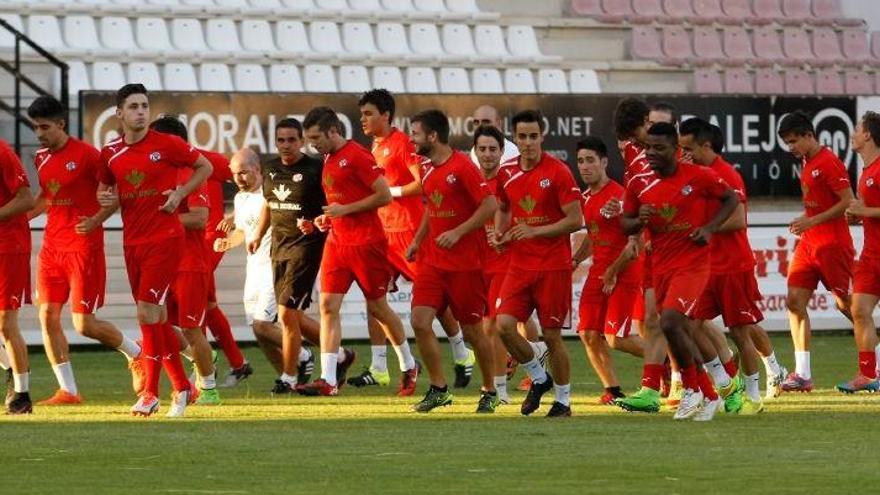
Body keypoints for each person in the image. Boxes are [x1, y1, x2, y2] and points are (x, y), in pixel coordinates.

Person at [97, 84, 213, 417]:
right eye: (133, 106)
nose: (140, 111)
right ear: (119, 113)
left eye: (144, 105)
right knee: (157, 319)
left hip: (166, 240)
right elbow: (107, 190)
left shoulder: (168, 145)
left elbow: (204, 166)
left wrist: (179, 194)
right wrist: (104, 203)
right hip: (132, 242)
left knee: (148, 313)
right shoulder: (111, 153)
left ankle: (151, 392)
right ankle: (183, 387)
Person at [26, 95, 144, 406]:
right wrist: (18, 219)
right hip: (52, 248)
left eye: (44, 127)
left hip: (83, 246)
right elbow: (44, 197)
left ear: (61, 124)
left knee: (84, 324)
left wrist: (96, 219)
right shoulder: (41, 157)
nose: (39, 134)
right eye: (35, 128)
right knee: (47, 316)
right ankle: (68, 391)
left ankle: (137, 353)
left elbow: (118, 190)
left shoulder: (90, 156)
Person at [621, 122, 738, 421]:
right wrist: (639, 221)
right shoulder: (638, 183)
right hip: (660, 266)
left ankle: (692, 390)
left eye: (659, 148)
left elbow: (731, 199)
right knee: (677, 331)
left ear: (675, 150)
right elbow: (625, 222)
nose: (651, 153)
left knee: (672, 322)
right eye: (648, 147)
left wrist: (710, 228)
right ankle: (709, 395)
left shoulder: (699, 177)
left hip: (693, 264)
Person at [299, 106, 417, 397]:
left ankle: (408, 364)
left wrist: (344, 210)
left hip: (367, 244)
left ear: (333, 131)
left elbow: (384, 195)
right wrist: (327, 219)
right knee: (327, 307)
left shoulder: (358, 156)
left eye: (317, 137)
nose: (313, 144)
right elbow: (343, 202)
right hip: (337, 243)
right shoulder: (329, 158)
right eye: (310, 139)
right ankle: (327, 380)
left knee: (378, 308)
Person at [353, 89, 463, 392]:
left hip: (409, 231)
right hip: (382, 232)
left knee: (436, 301)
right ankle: (379, 367)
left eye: (368, 113)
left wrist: (392, 193)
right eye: (362, 114)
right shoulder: (371, 147)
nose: (363, 119)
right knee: (374, 300)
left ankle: (461, 352)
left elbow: (421, 183)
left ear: (385, 115)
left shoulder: (403, 144)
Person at [680, 118, 782, 414]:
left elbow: (739, 219)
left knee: (740, 333)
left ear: (706, 146)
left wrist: (705, 227)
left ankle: (753, 395)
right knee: (690, 324)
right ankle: (725, 380)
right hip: (705, 267)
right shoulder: (695, 175)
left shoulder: (727, 175)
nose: (685, 154)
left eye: (689, 148)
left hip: (733, 267)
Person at [250, 118, 354, 395]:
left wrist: (319, 222)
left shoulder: (315, 169)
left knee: (286, 314)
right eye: (281, 140)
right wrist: (259, 234)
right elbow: (269, 206)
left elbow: (330, 207)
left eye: (291, 140)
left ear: (301, 141)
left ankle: (288, 376)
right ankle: (341, 355)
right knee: (291, 317)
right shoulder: (270, 168)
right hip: (278, 249)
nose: (286, 146)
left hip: (306, 247)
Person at [405, 110, 498, 413]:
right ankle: (439, 388)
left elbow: (490, 204)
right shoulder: (427, 168)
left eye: (416, 133)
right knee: (420, 322)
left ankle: (490, 389)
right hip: (433, 262)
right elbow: (432, 208)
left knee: (473, 332)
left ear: (432, 136)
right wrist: (418, 241)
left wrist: (458, 232)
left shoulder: (463, 167)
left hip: (465, 265)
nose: (412, 139)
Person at [493, 110, 583, 417]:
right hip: (519, 264)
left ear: (542, 137)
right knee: (503, 326)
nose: (528, 142)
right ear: (514, 139)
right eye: (522, 137)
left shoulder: (558, 172)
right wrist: (501, 233)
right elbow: (504, 208)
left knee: (552, 335)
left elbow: (575, 219)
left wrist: (535, 230)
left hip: (553, 266)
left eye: (534, 136)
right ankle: (539, 376)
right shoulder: (506, 172)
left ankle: (563, 401)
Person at [214, 147, 315, 385]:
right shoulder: (240, 198)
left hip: (275, 268)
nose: (239, 179)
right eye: (235, 174)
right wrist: (228, 242)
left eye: (244, 173)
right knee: (259, 332)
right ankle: (289, 380)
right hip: (254, 270)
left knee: (263, 325)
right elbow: (243, 231)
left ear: (258, 169)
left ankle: (302, 354)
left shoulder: (272, 195)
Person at [778, 111, 855, 392]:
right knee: (794, 302)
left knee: (848, 306)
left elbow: (848, 201)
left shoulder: (829, 162)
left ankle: (875, 361)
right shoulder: (808, 161)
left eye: (794, 141)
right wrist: (806, 220)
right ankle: (802, 374)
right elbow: (818, 203)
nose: (791, 147)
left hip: (833, 245)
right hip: (809, 244)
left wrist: (811, 220)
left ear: (810, 135)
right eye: (788, 143)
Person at [149, 116, 221, 406]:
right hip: (163, 262)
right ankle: (200, 358)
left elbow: (199, 218)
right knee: (157, 322)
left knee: (191, 328)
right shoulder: (157, 173)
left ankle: (210, 389)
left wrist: (163, 219)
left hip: (190, 263)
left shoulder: (190, 172)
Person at [571, 137, 645, 405]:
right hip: (599, 272)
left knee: (615, 338)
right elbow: (593, 236)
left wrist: (613, 272)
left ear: (604, 162)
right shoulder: (586, 197)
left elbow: (633, 246)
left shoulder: (620, 197)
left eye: (590, 160)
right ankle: (612, 391)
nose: (585, 166)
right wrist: (576, 260)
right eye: (580, 161)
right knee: (588, 333)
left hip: (623, 271)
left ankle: (675, 363)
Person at [473, 125, 542, 405]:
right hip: (478, 265)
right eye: (482, 149)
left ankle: (497, 389)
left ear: (502, 152)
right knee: (485, 328)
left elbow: (530, 217)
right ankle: (537, 352)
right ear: (475, 152)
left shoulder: (510, 180)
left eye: (493, 149)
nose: (487, 155)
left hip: (506, 262)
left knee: (493, 327)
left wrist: (504, 233)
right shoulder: (470, 180)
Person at [609, 98, 668, 413]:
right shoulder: (635, 153)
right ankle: (656, 388)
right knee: (653, 321)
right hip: (652, 244)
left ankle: (722, 375)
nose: (651, 128)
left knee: (676, 322)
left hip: (668, 246)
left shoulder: (646, 155)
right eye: (647, 123)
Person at [840, 111, 880, 393]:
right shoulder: (866, 171)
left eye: (857, 129)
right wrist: (856, 217)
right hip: (871, 255)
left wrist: (863, 211)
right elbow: (868, 212)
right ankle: (868, 375)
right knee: (859, 309)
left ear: (867, 135)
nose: (853, 134)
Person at [0, 138, 35, 414]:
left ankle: (22, 394)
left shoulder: (3, 153)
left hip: (8, 246)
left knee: (5, 322)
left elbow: (26, 199)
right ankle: (12, 366)